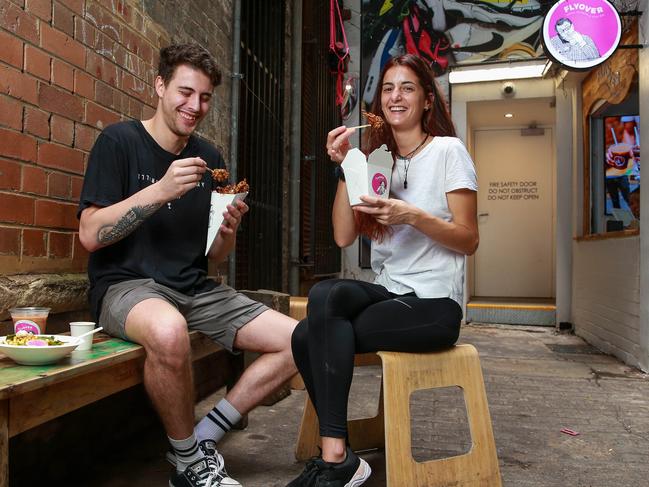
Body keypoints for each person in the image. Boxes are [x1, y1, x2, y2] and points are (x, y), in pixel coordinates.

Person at [77, 43, 297, 487]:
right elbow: (89, 235)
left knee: (303, 338)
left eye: (205, 97)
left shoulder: (211, 159)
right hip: (127, 286)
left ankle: (204, 436)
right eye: (185, 92)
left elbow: (214, 256)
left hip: (194, 288)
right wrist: (159, 190)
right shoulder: (119, 142)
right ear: (160, 86)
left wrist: (228, 230)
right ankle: (188, 463)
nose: (194, 106)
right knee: (168, 330)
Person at [287, 54, 478, 487]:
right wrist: (345, 166)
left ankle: (337, 460)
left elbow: (468, 239)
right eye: (388, 88)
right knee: (325, 299)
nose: (395, 96)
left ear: (427, 100)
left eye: (407, 87)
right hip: (389, 291)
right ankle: (339, 454)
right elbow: (341, 237)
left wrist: (411, 216)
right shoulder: (375, 160)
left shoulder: (449, 151)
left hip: (434, 304)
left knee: (309, 333)